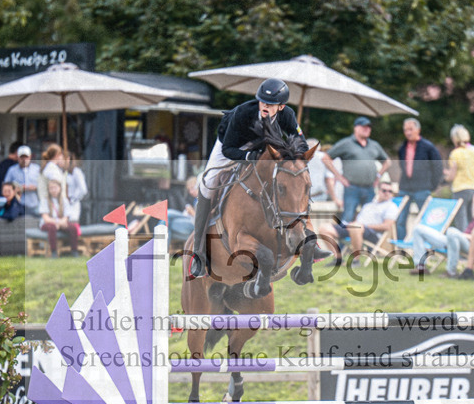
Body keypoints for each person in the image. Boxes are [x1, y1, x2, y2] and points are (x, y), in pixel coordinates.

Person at [188, 78, 308, 278]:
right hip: (232, 145)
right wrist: (248, 157)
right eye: (262, 102)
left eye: (270, 104)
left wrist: (293, 158)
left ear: (281, 106)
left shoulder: (287, 115)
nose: (265, 106)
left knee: (293, 182)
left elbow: (301, 143)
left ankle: (307, 241)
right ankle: (198, 252)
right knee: (207, 184)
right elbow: (228, 149)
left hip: (263, 148)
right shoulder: (243, 113)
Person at [321, 116, 391, 224]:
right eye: (364, 127)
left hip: (369, 188)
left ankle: (362, 240)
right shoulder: (346, 143)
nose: (367, 129)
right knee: (347, 218)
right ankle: (343, 240)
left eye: (368, 127)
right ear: (356, 128)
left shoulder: (374, 145)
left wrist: (378, 176)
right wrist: (339, 177)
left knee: (369, 219)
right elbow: (325, 158)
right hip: (352, 188)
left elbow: (388, 161)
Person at [315, 181, 399, 264]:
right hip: (356, 227)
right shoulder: (369, 205)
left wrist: (364, 226)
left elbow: (386, 226)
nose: (387, 193)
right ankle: (338, 258)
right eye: (384, 190)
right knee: (324, 228)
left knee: (356, 227)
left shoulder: (391, 207)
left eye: (390, 191)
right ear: (378, 191)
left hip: (372, 233)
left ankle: (356, 260)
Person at [395, 118, 443, 240]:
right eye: (405, 130)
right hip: (405, 188)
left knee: (427, 219)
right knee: (400, 219)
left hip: (422, 189)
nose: (408, 132)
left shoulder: (428, 147)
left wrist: (432, 186)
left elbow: (438, 167)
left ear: (418, 130)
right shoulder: (402, 148)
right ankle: (401, 247)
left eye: (410, 129)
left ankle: (428, 246)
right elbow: (402, 165)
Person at [447, 124, 474, 231]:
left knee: (461, 222)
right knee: (472, 220)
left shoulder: (455, 154)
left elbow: (452, 175)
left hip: (460, 190)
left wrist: (446, 177)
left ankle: (464, 246)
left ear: (454, 139)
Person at [39, 179, 79, 257]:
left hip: (60, 222)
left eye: (55, 188)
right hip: (48, 224)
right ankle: (54, 251)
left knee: (73, 228)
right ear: (48, 189)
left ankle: (74, 250)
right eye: (51, 188)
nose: (53, 190)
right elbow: (46, 218)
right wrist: (56, 223)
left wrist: (60, 223)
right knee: (52, 227)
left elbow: (66, 217)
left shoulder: (64, 200)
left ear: (60, 188)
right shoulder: (44, 200)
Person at [4, 145, 41, 216]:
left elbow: (44, 186)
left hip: (35, 204)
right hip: (18, 205)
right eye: (21, 157)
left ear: (30, 157)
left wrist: (36, 187)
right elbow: (6, 187)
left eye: (26, 157)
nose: (24, 159)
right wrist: (19, 188)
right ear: (18, 157)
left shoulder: (37, 169)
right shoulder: (12, 170)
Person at [167, 176, 199, 244]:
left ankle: (161, 250)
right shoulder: (196, 199)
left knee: (166, 222)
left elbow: (200, 221)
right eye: (189, 190)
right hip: (189, 219)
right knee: (167, 215)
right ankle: (162, 249)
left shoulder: (203, 200)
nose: (191, 192)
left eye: (192, 188)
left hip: (193, 224)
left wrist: (192, 211)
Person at [64, 153, 88, 225]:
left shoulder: (76, 171)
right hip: (63, 204)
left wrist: (73, 199)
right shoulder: (63, 172)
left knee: (72, 225)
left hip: (72, 205)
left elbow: (83, 189)